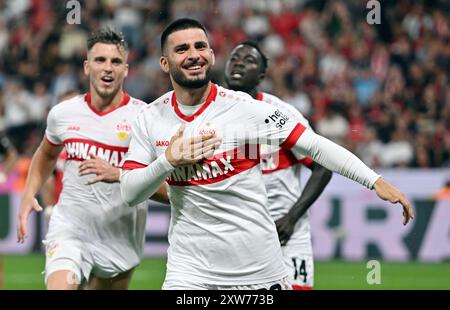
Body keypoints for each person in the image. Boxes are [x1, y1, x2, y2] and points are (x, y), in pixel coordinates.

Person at [120, 18, 414, 290]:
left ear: (210, 55)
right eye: (182, 49)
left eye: (200, 46)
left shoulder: (244, 109)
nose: (193, 54)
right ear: (164, 62)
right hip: (190, 271)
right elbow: (130, 193)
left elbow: (314, 145)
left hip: (258, 269)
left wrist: (373, 180)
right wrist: (168, 161)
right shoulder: (150, 118)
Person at [17, 28, 167, 290]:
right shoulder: (63, 114)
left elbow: (169, 190)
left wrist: (121, 175)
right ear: (87, 67)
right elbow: (46, 153)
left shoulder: (146, 119)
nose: (107, 68)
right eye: (100, 60)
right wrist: (29, 192)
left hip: (121, 237)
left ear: (126, 70)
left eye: (115, 61)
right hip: (71, 228)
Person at [224, 41, 332, 290]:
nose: (239, 62)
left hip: (285, 231)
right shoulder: (213, 114)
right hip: (239, 232)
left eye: (249, 60)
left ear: (261, 75)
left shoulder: (281, 114)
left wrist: (292, 218)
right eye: (234, 58)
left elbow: (323, 166)